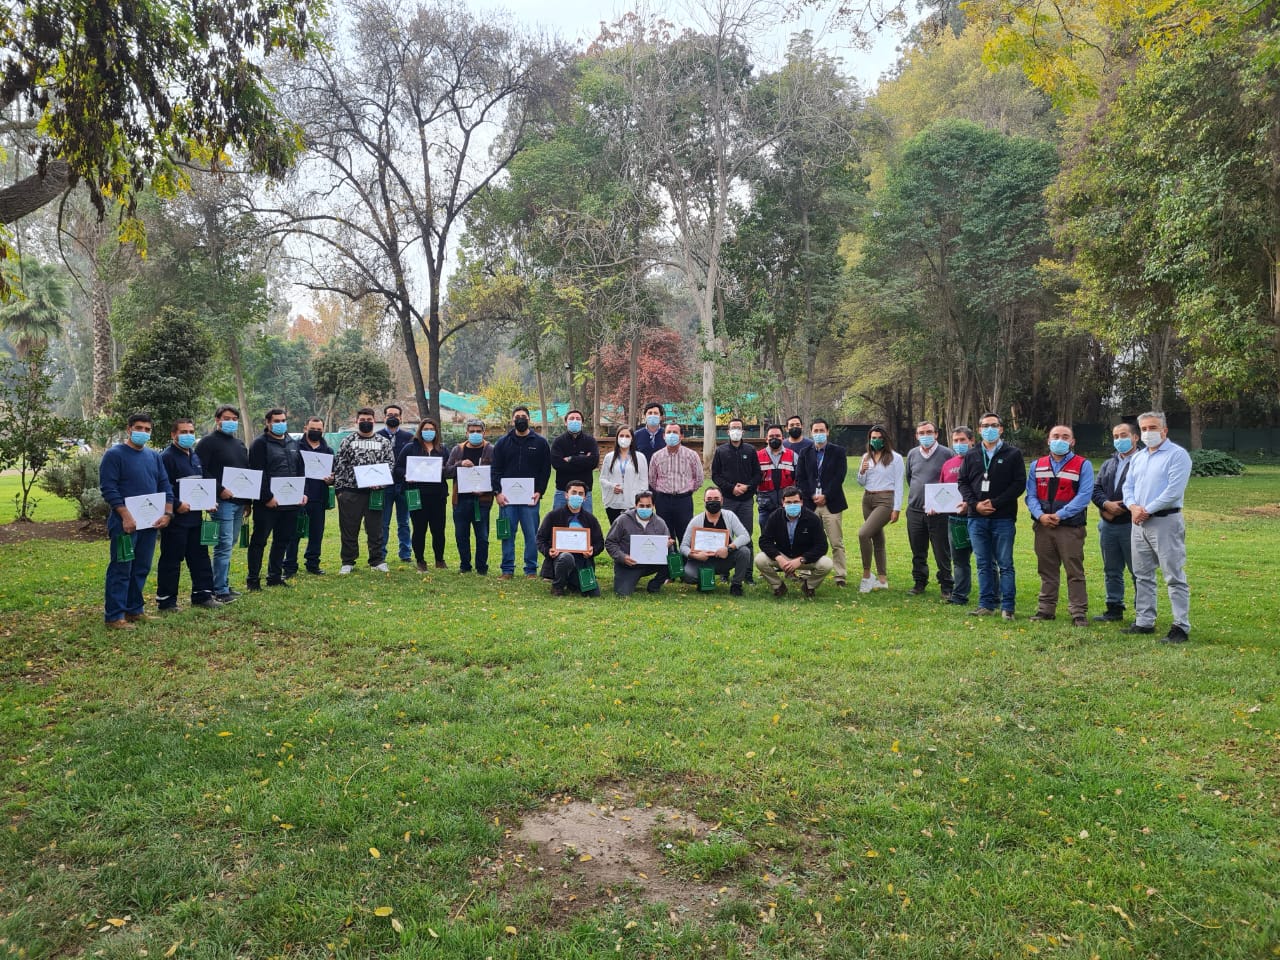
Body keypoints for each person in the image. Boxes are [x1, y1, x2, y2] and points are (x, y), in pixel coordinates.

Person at [1122, 411, 1193, 643]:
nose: (1148, 433)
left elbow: (1173, 491)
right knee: (1142, 574)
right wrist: (1133, 507)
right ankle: (1144, 621)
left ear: (1165, 430)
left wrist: (1146, 510)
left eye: (1153, 428)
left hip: (1165, 521)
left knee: (1173, 575)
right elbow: (1128, 487)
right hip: (1139, 523)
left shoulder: (1177, 455)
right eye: (1144, 429)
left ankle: (1180, 626)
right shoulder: (1139, 457)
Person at [99, 413, 173, 628]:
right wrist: (125, 516)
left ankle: (134, 610)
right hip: (125, 524)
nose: (143, 432)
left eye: (147, 429)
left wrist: (167, 513)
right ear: (129, 428)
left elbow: (164, 485)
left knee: (141, 567)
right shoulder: (114, 455)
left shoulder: (154, 456)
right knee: (122, 567)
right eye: (139, 428)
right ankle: (114, 616)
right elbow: (109, 489)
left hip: (150, 523)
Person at [957, 412, 1026, 620]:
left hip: (1003, 517)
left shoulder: (1013, 453)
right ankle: (986, 604)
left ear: (1001, 429)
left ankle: (1008, 607)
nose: (989, 429)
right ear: (979, 430)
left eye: (994, 425)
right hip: (976, 517)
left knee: (1005, 563)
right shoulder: (971, 454)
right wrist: (975, 504)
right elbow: (963, 482)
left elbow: (1018, 485)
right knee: (983, 563)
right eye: (985, 425)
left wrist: (994, 503)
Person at [1025, 424, 1094, 626]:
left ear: (1072, 442)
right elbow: (1031, 495)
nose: (1060, 440)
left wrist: (1060, 515)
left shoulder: (1083, 465)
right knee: (1047, 570)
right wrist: (1040, 516)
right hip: (1043, 526)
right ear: (1048, 440)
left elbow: (1084, 496)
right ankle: (1046, 610)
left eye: (1065, 437)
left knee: (1074, 571)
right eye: (1056, 436)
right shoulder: (1036, 465)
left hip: (1070, 527)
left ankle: (1078, 612)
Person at [157, 417, 221, 612]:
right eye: (183, 432)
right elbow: (162, 486)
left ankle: (202, 595)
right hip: (176, 519)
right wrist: (176, 505)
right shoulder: (166, 457)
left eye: (191, 432)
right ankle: (167, 601)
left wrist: (209, 502)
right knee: (172, 559)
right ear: (173, 434)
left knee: (200, 557)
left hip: (195, 518)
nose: (188, 436)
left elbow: (200, 484)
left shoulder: (194, 456)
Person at [194, 404, 251, 603]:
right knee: (223, 544)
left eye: (234, 418)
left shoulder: (239, 444)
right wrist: (220, 490)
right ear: (217, 419)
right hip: (222, 502)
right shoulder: (207, 443)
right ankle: (219, 589)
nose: (231, 422)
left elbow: (246, 474)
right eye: (227, 418)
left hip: (239, 502)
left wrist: (247, 502)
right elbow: (202, 470)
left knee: (230, 542)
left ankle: (223, 583)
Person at [246, 408, 307, 589]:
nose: (281, 424)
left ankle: (274, 576)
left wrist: (301, 492)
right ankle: (253, 580)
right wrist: (267, 497)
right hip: (267, 504)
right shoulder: (259, 444)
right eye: (277, 421)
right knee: (259, 541)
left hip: (290, 502)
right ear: (268, 423)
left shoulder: (292, 443)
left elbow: (299, 470)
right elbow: (257, 473)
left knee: (282, 540)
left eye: (283, 420)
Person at [332, 407, 395, 574]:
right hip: (351, 492)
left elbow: (390, 464)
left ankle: (377, 560)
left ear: (375, 421)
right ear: (356, 421)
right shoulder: (348, 441)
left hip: (375, 493)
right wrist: (339, 491)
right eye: (362, 420)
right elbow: (340, 466)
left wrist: (381, 483)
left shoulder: (384, 442)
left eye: (369, 419)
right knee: (348, 528)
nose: (366, 422)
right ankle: (348, 561)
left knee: (376, 528)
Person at [492, 405, 552, 579]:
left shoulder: (540, 443)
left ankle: (531, 569)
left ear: (529, 419)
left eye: (523, 416)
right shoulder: (503, 443)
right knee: (507, 534)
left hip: (530, 499)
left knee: (532, 534)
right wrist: (497, 492)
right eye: (517, 416)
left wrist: (539, 492)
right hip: (507, 499)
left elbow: (545, 471)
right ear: (512, 420)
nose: (520, 419)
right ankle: (507, 569)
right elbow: (495, 469)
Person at [1091, 421, 1138, 622]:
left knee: (1138, 572)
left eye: (1124, 435)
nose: (1119, 440)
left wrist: (1120, 508)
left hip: (1132, 525)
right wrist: (1106, 506)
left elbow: (1146, 492)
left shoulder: (1143, 461)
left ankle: (1143, 614)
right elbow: (1096, 489)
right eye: (1116, 436)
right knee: (1111, 570)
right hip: (1108, 526)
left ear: (1135, 437)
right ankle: (1114, 608)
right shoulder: (1108, 463)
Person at [795, 418, 849, 587]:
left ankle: (840, 575)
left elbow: (839, 476)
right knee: (807, 540)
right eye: (815, 431)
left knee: (836, 541)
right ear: (811, 433)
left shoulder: (838, 451)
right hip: (810, 503)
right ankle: (805, 571)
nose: (819, 434)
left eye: (821, 430)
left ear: (827, 432)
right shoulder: (805, 452)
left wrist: (825, 495)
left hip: (831, 503)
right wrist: (811, 495)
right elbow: (800, 478)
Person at [904, 420, 954, 598]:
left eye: (929, 432)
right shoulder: (912, 454)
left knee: (942, 551)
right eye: (922, 433)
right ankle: (919, 582)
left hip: (939, 513)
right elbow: (910, 478)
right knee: (918, 550)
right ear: (917, 435)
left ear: (936, 434)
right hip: (915, 511)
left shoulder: (947, 453)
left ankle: (946, 585)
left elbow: (952, 482)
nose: (926, 436)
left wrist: (938, 504)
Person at [393, 417, 450, 571]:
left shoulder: (442, 449)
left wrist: (443, 470)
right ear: (420, 431)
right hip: (416, 495)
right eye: (426, 429)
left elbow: (449, 470)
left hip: (438, 496)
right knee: (419, 529)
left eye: (432, 429)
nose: (429, 432)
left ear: (436, 432)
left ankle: (439, 560)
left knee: (438, 529)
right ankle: (420, 561)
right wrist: (407, 475)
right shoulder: (410, 448)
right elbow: (397, 468)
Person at [755, 485, 833, 598]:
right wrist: (779, 558)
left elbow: (822, 546)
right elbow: (764, 541)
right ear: (783, 502)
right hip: (783, 557)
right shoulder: (775, 516)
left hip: (804, 558)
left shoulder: (812, 518)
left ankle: (809, 586)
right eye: (788, 502)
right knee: (760, 559)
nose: (792, 505)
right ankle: (778, 586)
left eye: (796, 501)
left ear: (801, 502)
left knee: (827, 564)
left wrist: (802, 559)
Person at [855, 425, 903, 592]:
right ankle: (882, 579)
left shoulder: (895, 458)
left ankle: (867, 575)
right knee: (877, 537)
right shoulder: (866, 457)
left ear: (885, 439)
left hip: (885, 499)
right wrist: (861, 471)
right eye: (873, 437)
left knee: (863, 534)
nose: (876, 440)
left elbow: (899, 484)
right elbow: (861, 482)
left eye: (879, 437)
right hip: (867, 498)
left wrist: (897, 509)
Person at [536, 479, 604, 596]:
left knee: (594, 593)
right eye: (573, 493)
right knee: (566, 557)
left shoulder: (590, 519)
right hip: (560, 559)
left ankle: (573, 582)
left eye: (580, 494)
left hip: (582, 562)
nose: (576, 496)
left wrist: (592, 551)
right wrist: (548, 551)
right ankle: (558, 586)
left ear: (585, 498)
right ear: (566, 495)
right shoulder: (553, 516)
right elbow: (540, 539)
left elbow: (600, 542)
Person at [283, 416, 333, 577]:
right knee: (293, 532)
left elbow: (333, 473)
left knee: (316, 532)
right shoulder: (295, 448)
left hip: (319, 496)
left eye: (319, 429)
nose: (316, 431)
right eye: (313, 428)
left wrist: (332, 479)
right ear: (305, 428)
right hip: (298, 496)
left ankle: (313, 563)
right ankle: (290, 566)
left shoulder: (328, 451)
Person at [445, 417, 495, 576]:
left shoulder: (491, 450)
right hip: (460, 500)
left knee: (482, 537)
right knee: (461, 535)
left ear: (484, 433)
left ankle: (482, 567)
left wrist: (486, 490)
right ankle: (465, 565)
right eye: (472, 431)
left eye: (478, 431)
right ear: (466, 433)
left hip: (483, 500)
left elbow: (497, 474)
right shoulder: (457, 450)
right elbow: (446, 472)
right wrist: (459, 464)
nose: (475, 434)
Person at [680, 487, 752, 596]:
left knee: (744, 551)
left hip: (724, 559)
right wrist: (695, 555)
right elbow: (683, 546)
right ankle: (705, 579)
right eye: (709, 499)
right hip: (702, 560)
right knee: (687, 575)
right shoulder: (696, 520)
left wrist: (728, 548)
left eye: (716, 498)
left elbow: (745, 536)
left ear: (722, 500)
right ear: (704, 501)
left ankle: (736, 585)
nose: (712, 501)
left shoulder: (729, 516)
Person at [711, 416, 761, 564]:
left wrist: (747, 487)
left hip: (746, 501)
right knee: (725, 535)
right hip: (727, 500)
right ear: (728, 431)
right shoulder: (721, 451)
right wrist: (731, 488)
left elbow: (758, 474)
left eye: (738, 428)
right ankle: (724, 572)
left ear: (743, 431)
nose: (736, 431)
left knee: (746, 535)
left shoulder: (750, 450)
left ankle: (747, 573)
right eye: (733, 428)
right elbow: (715, 475)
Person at [604, 490, 673, 596]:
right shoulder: (622, 520)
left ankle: (655, 584)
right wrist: (622, 557)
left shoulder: (660, 523)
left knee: (674, 558)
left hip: (651, 563)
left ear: (653, 506)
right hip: (628, 564)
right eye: (641, 505)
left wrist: (667, 546)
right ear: (635, 506)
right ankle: (630, 578)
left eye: (648, 506)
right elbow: (610, 542)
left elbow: (668, 548)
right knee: (622, 592)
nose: (645, 509)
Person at [936, 427, 975, 606]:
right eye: (956, 440)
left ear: (971, 440)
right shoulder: (948, 464)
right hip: (955, 519)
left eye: (962, 440)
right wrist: (935, 506)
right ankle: (959, 596)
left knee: (987, 560)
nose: (959, 444)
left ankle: (993, 596)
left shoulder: (980, 460)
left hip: (978, 517)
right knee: (959, 561)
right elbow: (942, 491)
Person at [647, 422, 704, 542]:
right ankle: (668, 560)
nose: (671, 435)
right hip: (663, 500)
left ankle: (686, 560)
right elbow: (652, 479)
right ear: (664, 436)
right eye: (668, 432)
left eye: (675, 432)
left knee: (685, 535)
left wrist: (686, 491)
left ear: (681, 436)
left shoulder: (692, 455)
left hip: (683, 501)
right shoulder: (656, 456)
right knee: (665, 536)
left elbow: (699, 479)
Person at [377, 404, 415, 563]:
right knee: (383, 522)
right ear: (384, 417)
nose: (393, 417)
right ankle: (381, 553)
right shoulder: (377, 436)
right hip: (384, 485)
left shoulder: (409, 437)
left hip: (403, 485)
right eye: (389, 414)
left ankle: (405, 553)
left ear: (401, 418)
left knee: (404, 522)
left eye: (396, 415)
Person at [550, 409, 600, 511]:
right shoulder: (558, 442)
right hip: (562, 492)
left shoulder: (590, 441)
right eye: (571, 418)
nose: (575, 421)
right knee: (559, 524)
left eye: (578, 419)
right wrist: (584, 460)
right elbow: (557, 464)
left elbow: (594, 462)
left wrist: (571, 459)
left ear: (582, 423)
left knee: (585, 524)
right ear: (565, 422)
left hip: (585, 492)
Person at [599, 426, 649, 525]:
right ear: (617, 438)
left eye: (627, 436)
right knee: (616, 532)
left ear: (632, 439)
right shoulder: (609, 457)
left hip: (632, 503)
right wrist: (612, 487)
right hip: (614, 503)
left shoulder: (640, 457)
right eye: (621, 435)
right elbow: (603, 479)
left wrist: (641, 501)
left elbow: (644, 482)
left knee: (631, 533)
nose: (624, 438)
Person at [756, 424, 796, 531]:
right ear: (766, 439)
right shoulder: (757, 456)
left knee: (787, 536)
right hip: (765, 505)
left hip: (787, 504)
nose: (774, 438)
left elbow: (799, 478)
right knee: (766, 537)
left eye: (777, 436)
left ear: (783, 438)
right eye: (771, 436)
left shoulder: (793, 455)